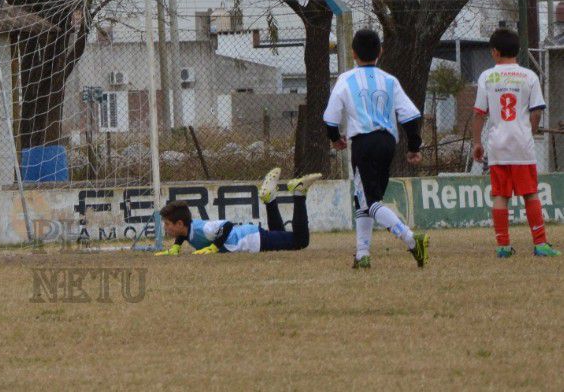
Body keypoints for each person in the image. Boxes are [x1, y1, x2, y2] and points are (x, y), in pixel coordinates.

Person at [323, 29, 428, 268]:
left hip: (363, 143)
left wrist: (334, 138)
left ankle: (411, 239)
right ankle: (362, 254)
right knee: (364, 198)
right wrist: (414, 147)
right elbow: (410, 117)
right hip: (387, 143)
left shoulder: (345, 79)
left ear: (352, 53)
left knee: (371, 202)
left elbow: (330, 118)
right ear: (380, 52)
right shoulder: (390, 81)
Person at [472, 28, 559, 258]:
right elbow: (537, 112)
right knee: (530, 193)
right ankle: (540, 244)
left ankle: (503, 246)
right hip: (522, 144)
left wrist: (476, 143)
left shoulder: (486, 77)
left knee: (500, 195)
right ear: (517, 51)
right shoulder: (529, 76)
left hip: (498, 146)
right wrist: (529, 130)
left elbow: (479, 113)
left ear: (494, 52)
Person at [154, 168, 321, 255]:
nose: (166, 228)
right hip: (252, 237)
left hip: (252, 240)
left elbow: (226, 226)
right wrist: (176, 247)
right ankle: (269, 199)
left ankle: (299, 193)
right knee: (280, 234)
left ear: (180, 223)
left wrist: (214, 247)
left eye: (167, 224)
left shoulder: (201, 229)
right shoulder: (187, 230)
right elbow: (183, 234)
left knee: (300, 241)